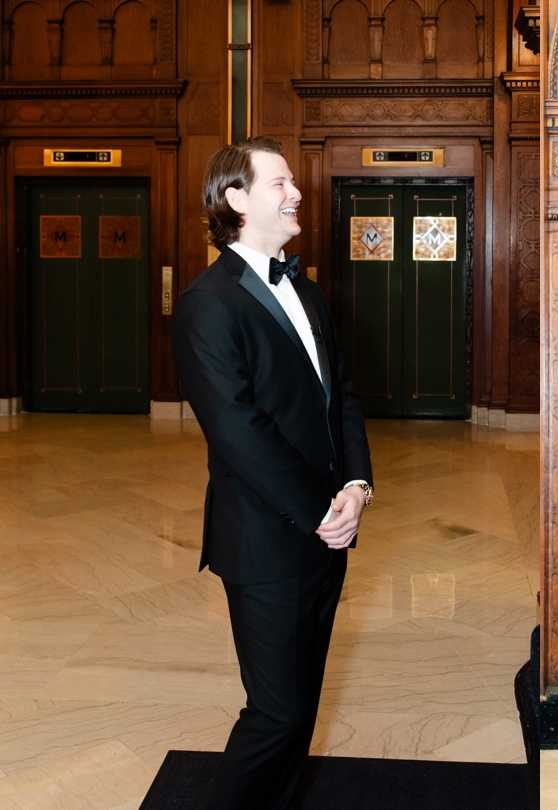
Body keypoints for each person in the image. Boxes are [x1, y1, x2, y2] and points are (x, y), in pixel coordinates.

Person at [172, 136, 373, 809]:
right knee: (276, 714)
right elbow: (238, 431)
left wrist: (356, 484)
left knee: (302, 713)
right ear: (236, 198)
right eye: (280, 183)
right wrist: (321, 510)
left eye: (294, 183)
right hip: (265, 541)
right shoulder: (209, 302)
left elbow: (339, 393)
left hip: (327, 532)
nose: (296, 194)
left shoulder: (306, 289)